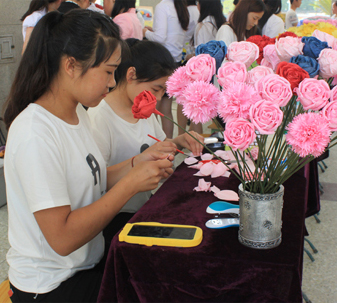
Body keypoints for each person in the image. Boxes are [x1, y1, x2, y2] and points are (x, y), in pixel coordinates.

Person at [3, 9, 175, 303]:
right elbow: (62, 238)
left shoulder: (76, 114)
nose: (111, 83)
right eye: (108, 72)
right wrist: (130, 185)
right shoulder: (36, 133)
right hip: (51, 284)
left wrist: (137, 164)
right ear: (71, 65)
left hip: (85, 262)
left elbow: (90, 178)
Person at [87, 39, 204, 237]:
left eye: (162, 92)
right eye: (155, 89)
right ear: (131, 75)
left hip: (143, 206)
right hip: (113, 218)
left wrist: (178, 142)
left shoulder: (144, 107)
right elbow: (95, 181)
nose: (158, 98)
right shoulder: (99, 116)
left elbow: (155, 147)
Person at [143, 0, 190, 139]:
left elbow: (160, 38)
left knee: (153, 109)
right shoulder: (180, 7)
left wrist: (145, 32)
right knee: (166, 110)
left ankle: (158, 145)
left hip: (161, 63)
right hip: (175, 64)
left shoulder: (162, 6)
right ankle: (169, 145)